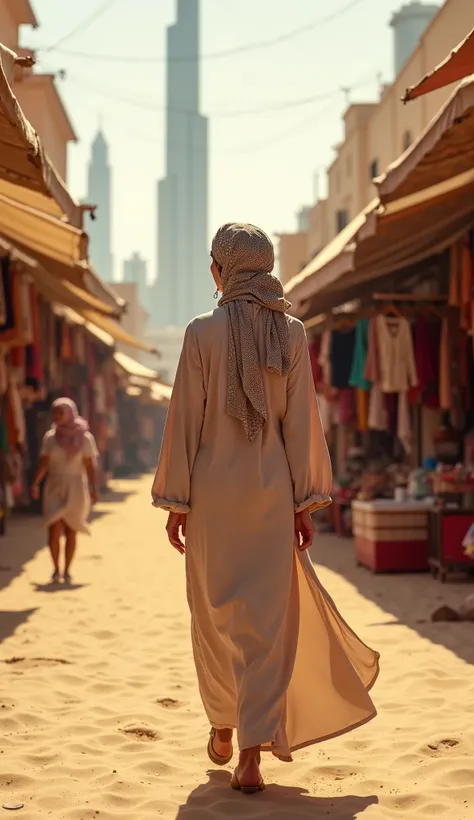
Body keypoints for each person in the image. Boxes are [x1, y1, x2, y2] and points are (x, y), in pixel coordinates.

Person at [152, 223, 379, 794]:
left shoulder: (201, 333)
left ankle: (223, 727)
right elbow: (302, 423)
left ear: (220, 271)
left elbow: (184, 420)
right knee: (267, 624)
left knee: (214, 615)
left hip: (211, 495)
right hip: (273, 493)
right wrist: (304, 504)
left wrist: (176, 501)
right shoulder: (293, 333)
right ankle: (250, 752)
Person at [31, 398, 99, 584]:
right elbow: (44, 463)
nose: (56, 417)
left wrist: (94, 488)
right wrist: (35, 483)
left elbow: (89, 465)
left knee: (71, 530)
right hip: (54, 486)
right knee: (53, 528)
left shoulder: (85, 438)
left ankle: (67, 570)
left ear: (70, 412)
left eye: (60, 412)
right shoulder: (50, 437)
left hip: (76, 487)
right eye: (54, 412)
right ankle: (55, 568)